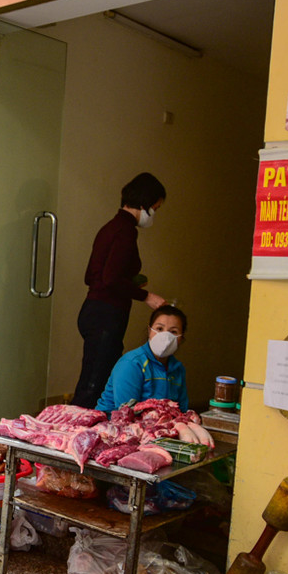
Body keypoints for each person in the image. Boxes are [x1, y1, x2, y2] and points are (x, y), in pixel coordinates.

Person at [73, 172, 169, 409]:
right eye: (155, 208)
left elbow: (93, 276)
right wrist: (146, 296)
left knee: (93, 381)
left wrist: (130, 283)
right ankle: (71, 436)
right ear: (144, 204)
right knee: (93, 387)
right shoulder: (125, 232)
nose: (154, 214)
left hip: (92, 311)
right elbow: (111, 279)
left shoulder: (109, 228)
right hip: (106, 315)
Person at [96, 304, 189, 413]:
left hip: (158, 425)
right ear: (149, 331)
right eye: (159, 328)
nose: (165, 337)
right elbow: (126, 412)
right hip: (114, 425)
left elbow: (181, 410)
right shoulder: (132, 363)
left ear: (181, 338)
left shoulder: (177, 369)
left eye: (173, 332)